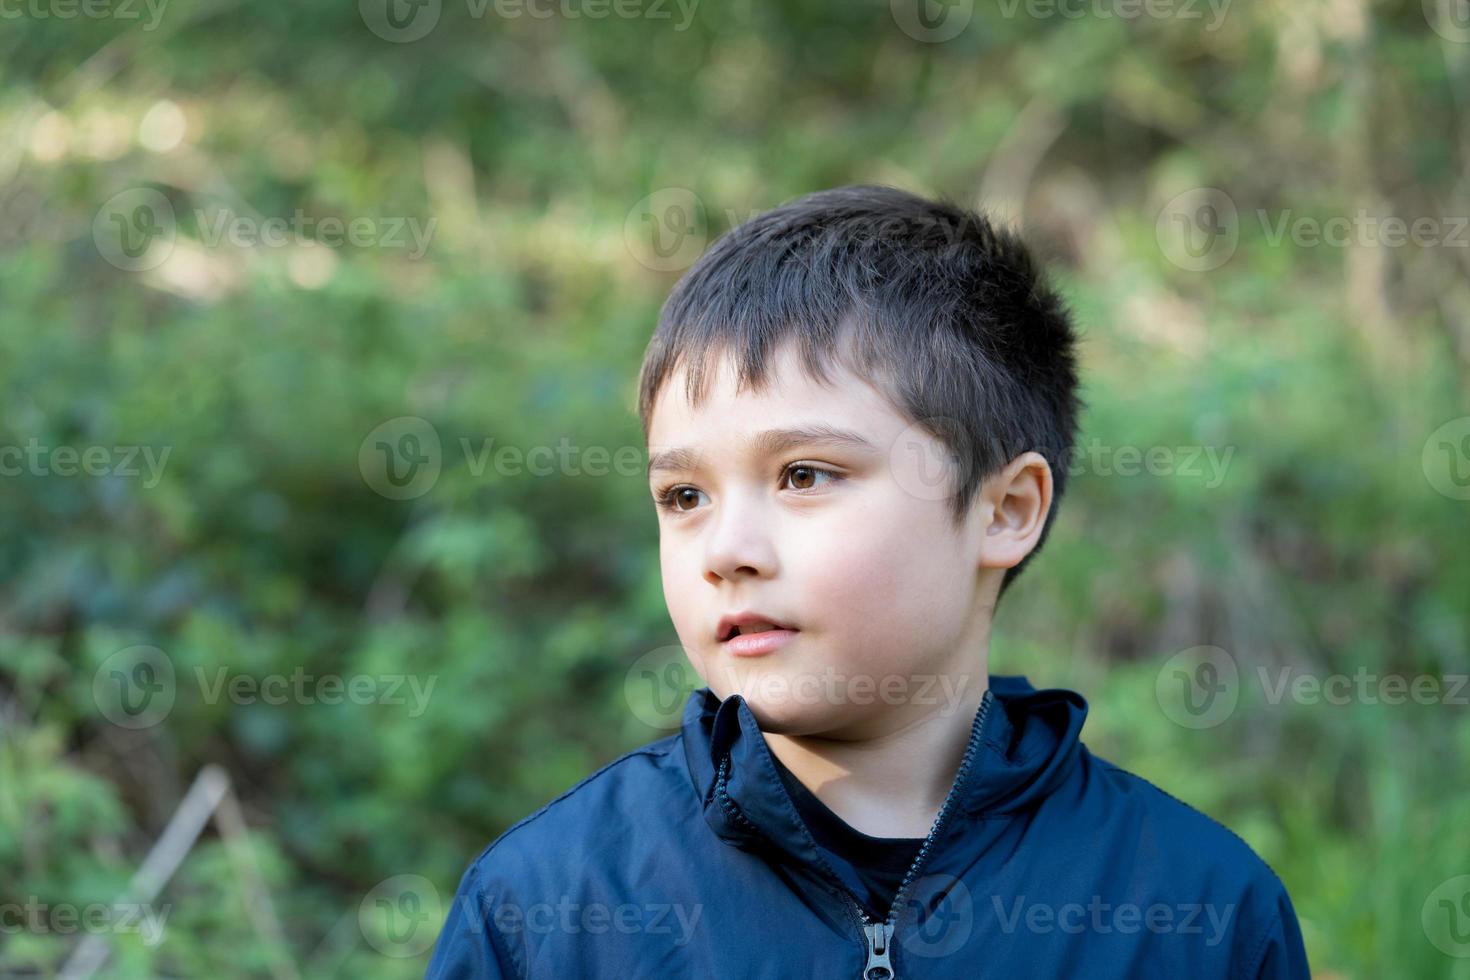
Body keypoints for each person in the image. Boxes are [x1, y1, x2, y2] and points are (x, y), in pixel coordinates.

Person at [423, 184, 1312, 979]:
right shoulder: (547, 910)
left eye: (804, 475)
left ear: (1004, 510)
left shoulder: (1199, 913)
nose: (726, 549)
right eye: (684, 494)